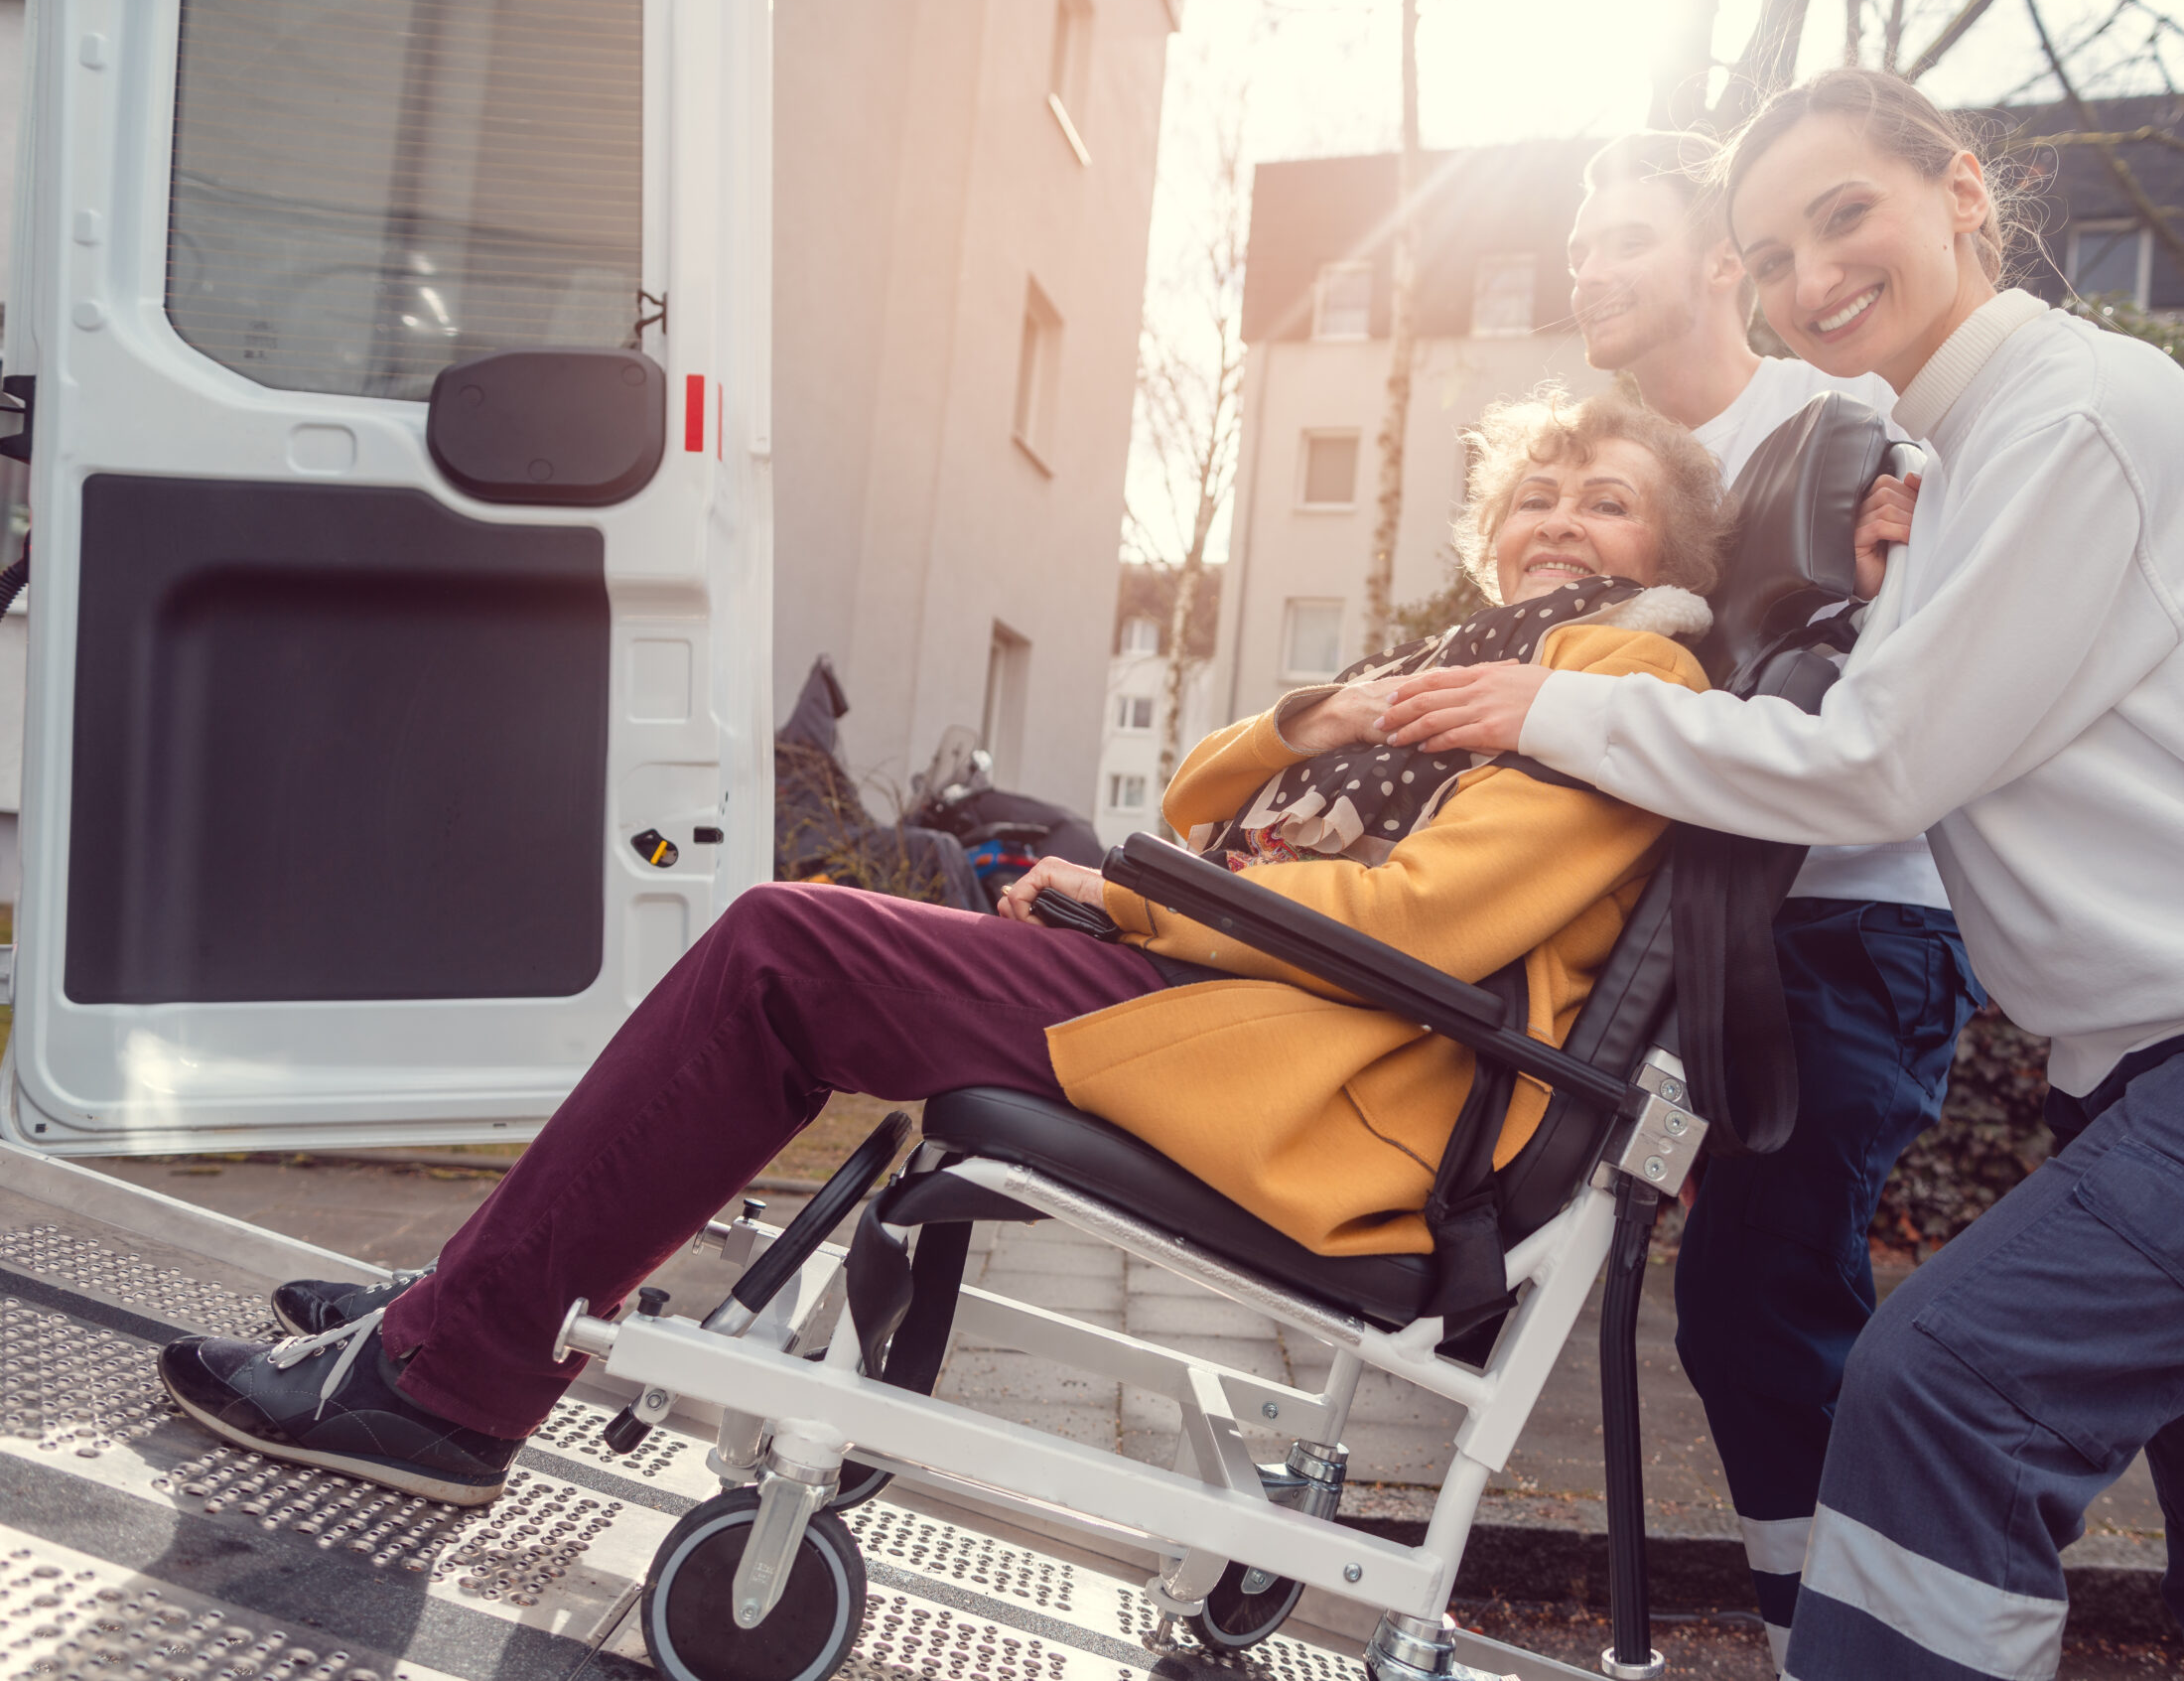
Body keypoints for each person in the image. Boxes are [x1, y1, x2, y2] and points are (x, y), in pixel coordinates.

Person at [1385, 69, 2184, 1681]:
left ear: (1963, 193)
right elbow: (1907, 718)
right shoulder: (1960, 460)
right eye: (1770, 253)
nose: (1809, 276)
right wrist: (1892, 581)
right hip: (2180, 1068)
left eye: (1847, 214)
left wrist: (1555, 706)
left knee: (1946, 1390)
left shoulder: (2081, 417)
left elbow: (1881, 768)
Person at [151, 390, 1738, 1508]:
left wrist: (1126, 902)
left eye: (1607, 499)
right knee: (791, 954)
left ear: (1673, 546)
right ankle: (460, 1310)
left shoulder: (1621, 681)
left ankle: (445, 1382)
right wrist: (1313, 716)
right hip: (1243, 996)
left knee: (784, 947)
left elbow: (1414, 926)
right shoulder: (1459, 665)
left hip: (1332, 1074)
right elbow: (1200, 798)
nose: (1558, 520)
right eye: (1536, 491)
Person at [1571, 130, 1979, 1670]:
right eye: (1579, 255)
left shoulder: (1841, 425)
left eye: (1625, 242)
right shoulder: (1624, 475)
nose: (1593, 276)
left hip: (1851, 922)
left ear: (1719, 269)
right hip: (1693, 911)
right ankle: (1825, 1617)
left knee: (1761, 1301)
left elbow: (1890, 703)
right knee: (1700, 1301)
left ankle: (1863, 1630)